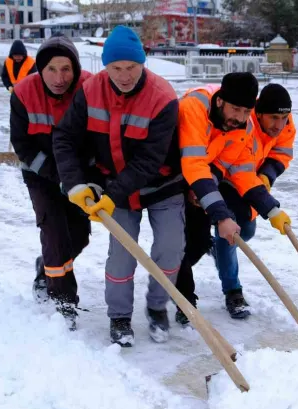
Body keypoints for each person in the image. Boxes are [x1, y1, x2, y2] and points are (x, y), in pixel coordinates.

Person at [53, 26, 183, 347]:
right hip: (114, 184)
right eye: (115, 68)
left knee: (169, 247)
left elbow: (150, 160)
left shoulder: (163, 97)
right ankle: (120, 316)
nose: (124, 76)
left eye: (131, 68)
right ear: (105, 66)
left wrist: (111, 196)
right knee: (122, 254)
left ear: (143, 64)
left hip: (161, 184)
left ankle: (157, 307)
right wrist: (74, 184)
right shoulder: (90, 90)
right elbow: (65, 138)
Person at [174, 74, 292, 325]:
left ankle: (178, 285)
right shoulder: (194, 107)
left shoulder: (243, 127)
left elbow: (240, 172)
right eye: (236, 109)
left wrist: (271, 210)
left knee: (196, 243)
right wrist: (221, 214)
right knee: (176, 244)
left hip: (201, 181)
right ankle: (184, 299)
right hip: (170, 177)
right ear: (220, 102)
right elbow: (194, 162)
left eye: (246, 110)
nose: (240, 117)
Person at [10, 35, 93, 331]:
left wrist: (83, 176)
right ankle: (64, 302)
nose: (59, 78)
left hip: (79, 175)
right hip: (40, 174)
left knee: (80, 235)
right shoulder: (22, 93)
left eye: (66, 69)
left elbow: (98, 136)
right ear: (40, 70)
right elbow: (22, 144)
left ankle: (46, 268)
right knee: (55, 233)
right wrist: (55, 176)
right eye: (51, 70)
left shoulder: (89, 87)